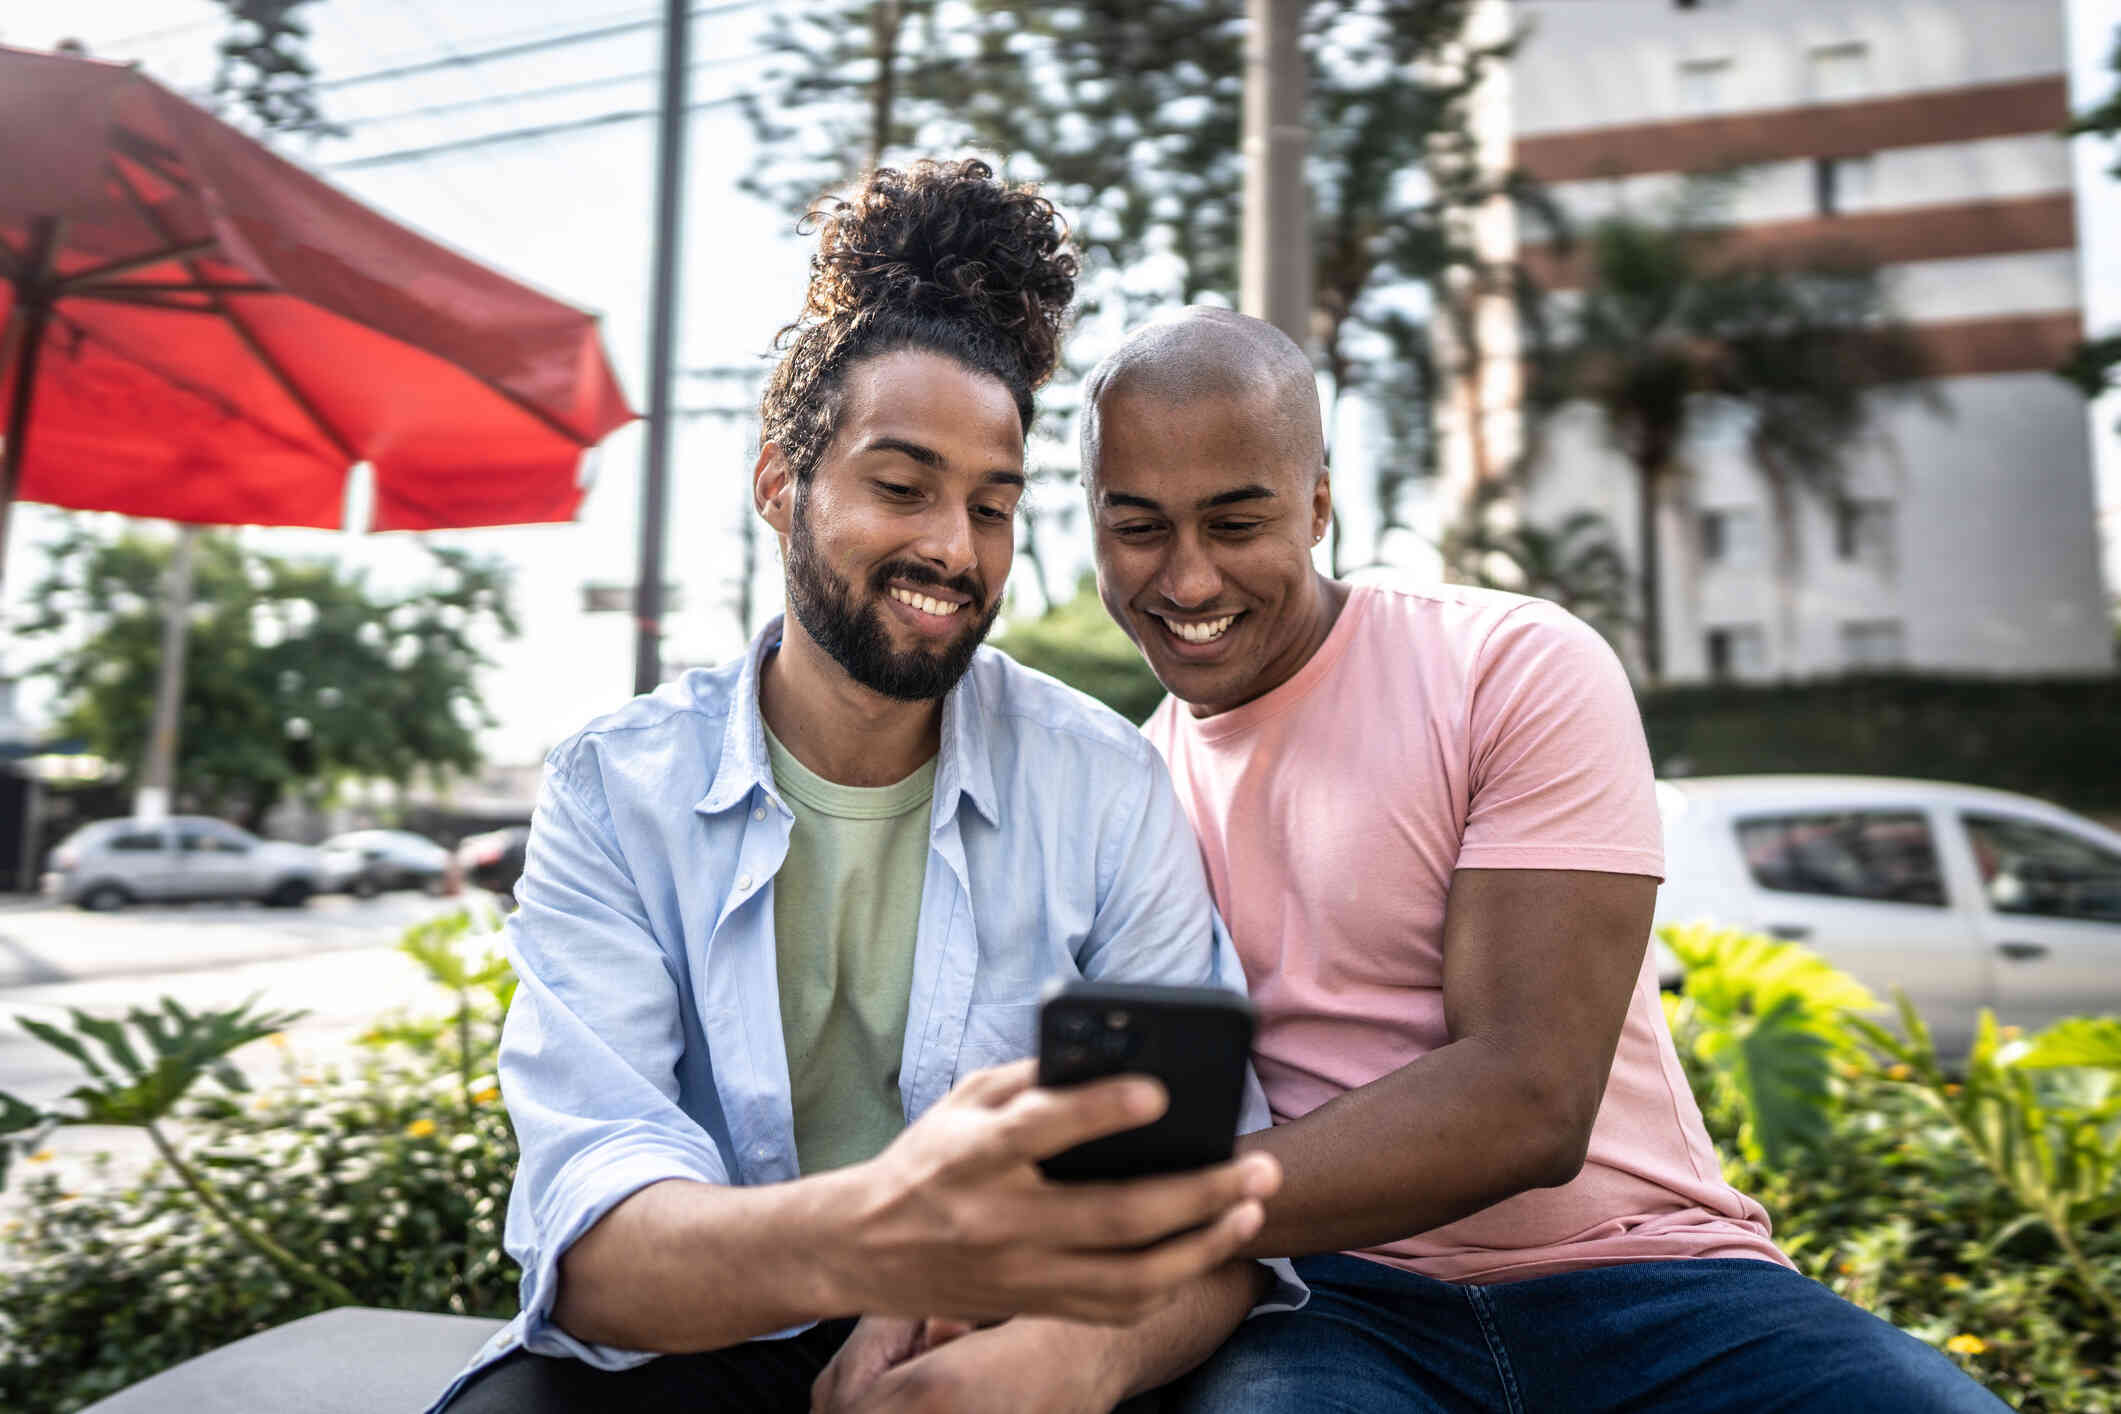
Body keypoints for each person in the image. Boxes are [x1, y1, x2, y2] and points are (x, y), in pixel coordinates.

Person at [429, 168, 1297, 1414]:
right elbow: (598, 1245)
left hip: (1005, 1323)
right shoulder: (617, 790)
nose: (954, 546)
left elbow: (1210, 1212)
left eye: (992, 506)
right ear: (784, 486)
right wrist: (881, 1239)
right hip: (707, 1325)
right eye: (902, 487)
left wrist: (1069, 1354)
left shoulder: (1102, 783)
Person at [1077, 306, 2008, 1413]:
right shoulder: (1125, 793)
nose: (1186, 581)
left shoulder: (1508, 664)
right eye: (1139, 529)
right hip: (1329, 1305)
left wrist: (1165, 1205)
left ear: (1319, 503)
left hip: (1648, 1276)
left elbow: (1528, 1097)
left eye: (1236, 524)